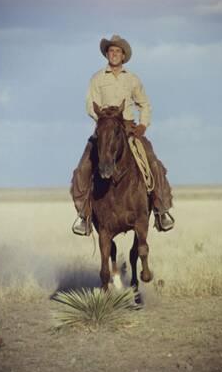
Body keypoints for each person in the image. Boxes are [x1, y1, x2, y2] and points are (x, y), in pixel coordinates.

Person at [70, 34, 174, 236]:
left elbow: (144, 104)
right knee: (82, 169)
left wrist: (143, 125)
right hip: (104, 128)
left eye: (117, 51)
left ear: (124, 55)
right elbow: (90, 104)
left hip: (128, 128)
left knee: (154, 163)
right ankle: (83, 215)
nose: (114, 54)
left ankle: (162, 210)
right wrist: (105, 119)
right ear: (107, 54)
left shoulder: (132, 79)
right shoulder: (97, 78)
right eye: (111, 51)